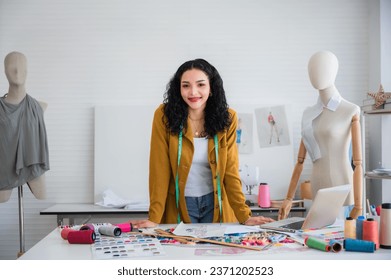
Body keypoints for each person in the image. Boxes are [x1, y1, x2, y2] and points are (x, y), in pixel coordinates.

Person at [130, 58, 274, 228]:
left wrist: (244, 215)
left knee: (215, 252)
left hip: (216, 204)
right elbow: (159, 168)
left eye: (200, 85)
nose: (193, 92)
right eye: (185, 85)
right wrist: (154, 217)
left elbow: (230, 171)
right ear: (178, 89)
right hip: (179, 204)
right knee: (180, 252)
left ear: (211, 87)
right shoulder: (164, 116)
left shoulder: (228, 118)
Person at [278, 51, 362, 220]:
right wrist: (288, 198)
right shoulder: (309, 114)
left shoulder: (350, 110)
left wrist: (359, 206)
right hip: (317, 184)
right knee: (318, 238)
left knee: (341, 241)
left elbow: (358, 163)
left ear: (334, 71)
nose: (315, 73)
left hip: (342, 184)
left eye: (322, 67)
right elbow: (300, 161)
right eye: (312, 69)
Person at [0, 51, 49, 203]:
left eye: (21, 67)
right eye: (12, 67)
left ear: (27, 70)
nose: (17, 71)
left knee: (41, 195)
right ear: (5, 71)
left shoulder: (38, 106)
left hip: (33, 167)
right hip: (4, 172)